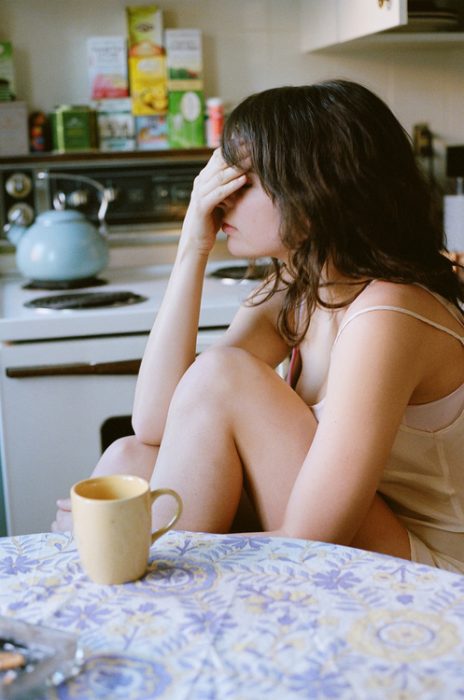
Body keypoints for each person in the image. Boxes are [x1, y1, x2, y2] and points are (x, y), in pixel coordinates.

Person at [53, 79, 464, 573]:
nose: (219, 198)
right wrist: (191, 248)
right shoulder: (298, 289)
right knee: (128, 460)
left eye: (241, 182)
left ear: (316, 190)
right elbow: (156, 422)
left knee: (221, 375)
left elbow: (315, 536)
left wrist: (143, 546)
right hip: (351, 534)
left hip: (426, 572)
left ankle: (153, 608)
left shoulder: (387, 315)